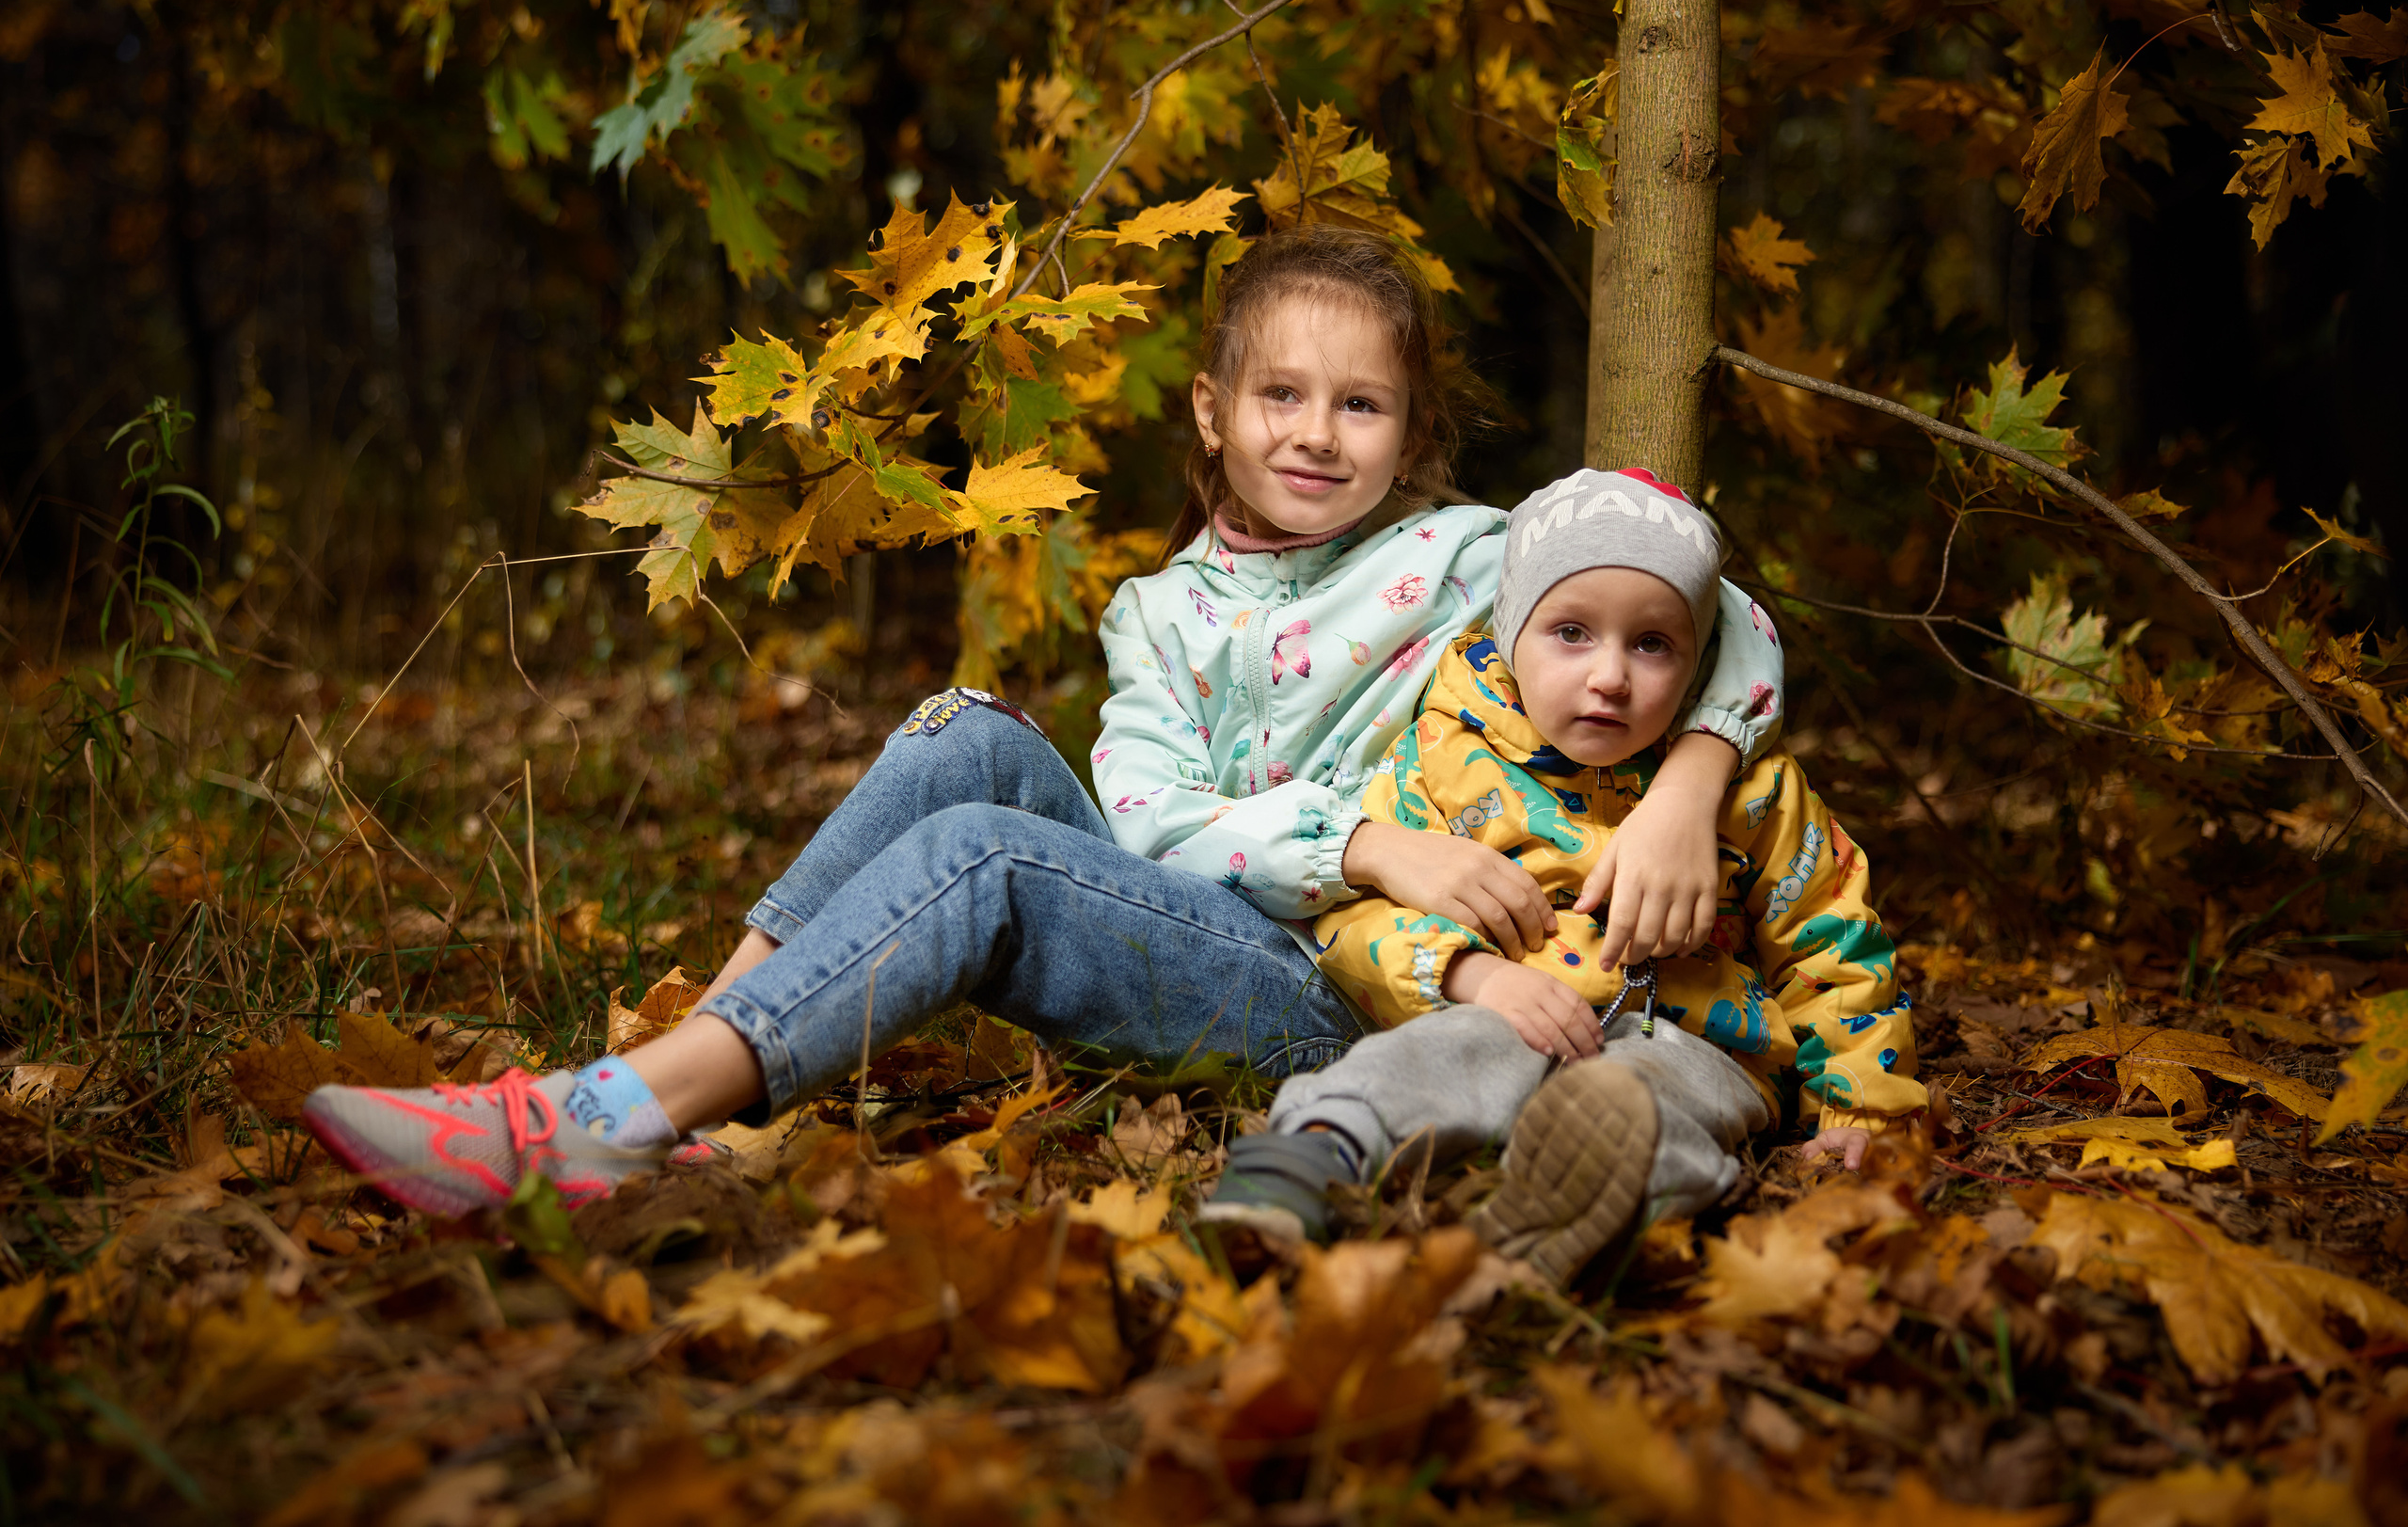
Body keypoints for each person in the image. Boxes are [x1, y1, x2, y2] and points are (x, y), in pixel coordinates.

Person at [298, 228, 1788, 1216]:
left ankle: (590, 1118)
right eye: (1282, 394)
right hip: (1275, 911)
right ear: (1211, 410)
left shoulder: (1474, 554)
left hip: (1356, 996)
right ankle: (688, 1088)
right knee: (964, 738)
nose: (1317, 436)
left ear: (1412, 434)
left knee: (991, 858)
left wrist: (1687, 788)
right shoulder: (1160, 613)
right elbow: (1148, 825)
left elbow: (1717, 603)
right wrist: (1375, 841)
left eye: (1362, 407)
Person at [1198, 468, 1922, 1288]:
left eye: (1652, 644)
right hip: (1507, 1008)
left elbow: (1831, 940)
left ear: (1699, 662)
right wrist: (1469, 977)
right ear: (1511, 635)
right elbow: (1353, 914)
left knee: (1656, 1104)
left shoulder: (1754, 794)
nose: (1609, 675)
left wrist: (1862, 1105)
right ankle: (1306, 1159)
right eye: (1571, 633)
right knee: (1439, 1056)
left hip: (1687, 1038)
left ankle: (1573, 1214)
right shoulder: (1443, 760)